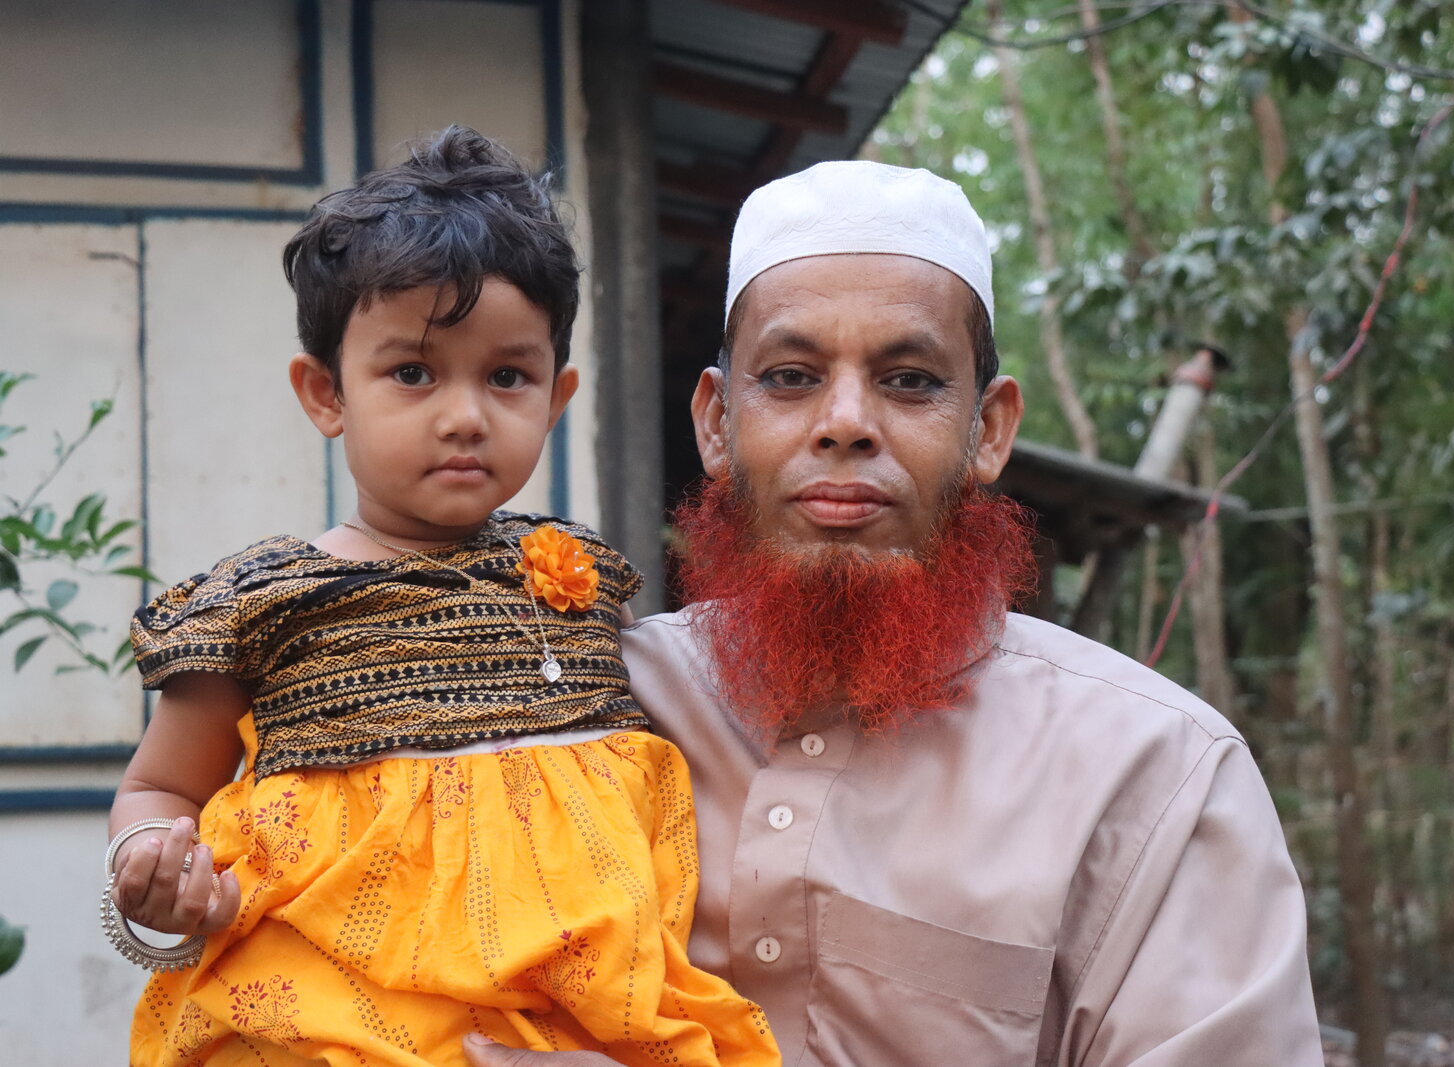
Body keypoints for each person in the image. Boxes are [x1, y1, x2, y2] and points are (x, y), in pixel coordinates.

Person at [465, 161, 1324, 1067]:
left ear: (989, 429)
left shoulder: (1158, 774)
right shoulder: (586, 703)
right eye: (790, 376)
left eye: (910, 381)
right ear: (716, 423)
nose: (845, 421)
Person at [103, 126, 777, 1067]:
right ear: (326, 393)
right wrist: (150, 863)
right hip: (324, 1026)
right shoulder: (265, 602)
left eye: (507, 376)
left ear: (555, 397)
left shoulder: (580, 579)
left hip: (571, 1028)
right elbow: (162, 786)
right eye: (413, 372)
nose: (465, 415)